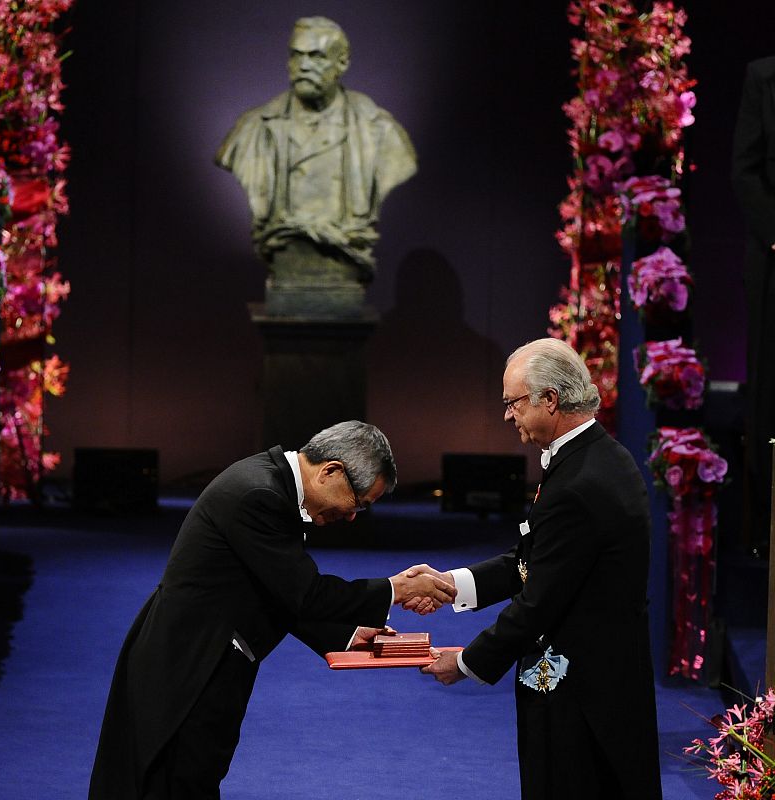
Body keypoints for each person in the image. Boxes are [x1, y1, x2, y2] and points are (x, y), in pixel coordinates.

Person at [88, 420, 455, 799]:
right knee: (175, 783)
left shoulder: (269, 483)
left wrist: (344, 635)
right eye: (358, 503)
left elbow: (278, 589)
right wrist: (397, 589)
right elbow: (306, 593)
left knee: (184, 779)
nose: (351, 517)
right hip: (188, 666)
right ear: (331, 471)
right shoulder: (258, 495)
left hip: (197, 657)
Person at [410, 338, 661, 800]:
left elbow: (539, 600)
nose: (508, 416)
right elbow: (533, 559)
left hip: (581, 695)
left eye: (514, 403)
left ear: (551, 400)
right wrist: (451, 585)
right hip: (584, 677)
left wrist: (466, 662)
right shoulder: (594, 456)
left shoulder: (580, 481)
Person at [214, 16, 416, 284]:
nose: (304, 65)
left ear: (342, 63)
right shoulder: (252, 129)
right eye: (296, 56)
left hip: (342, 273)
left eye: (317, 56)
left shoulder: (380, 133)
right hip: (284, 266)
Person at [731, 55, 775, 550]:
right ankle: (766, 524)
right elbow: (744, 171)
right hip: (772, 261)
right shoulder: (763, 78)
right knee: (768, 391)